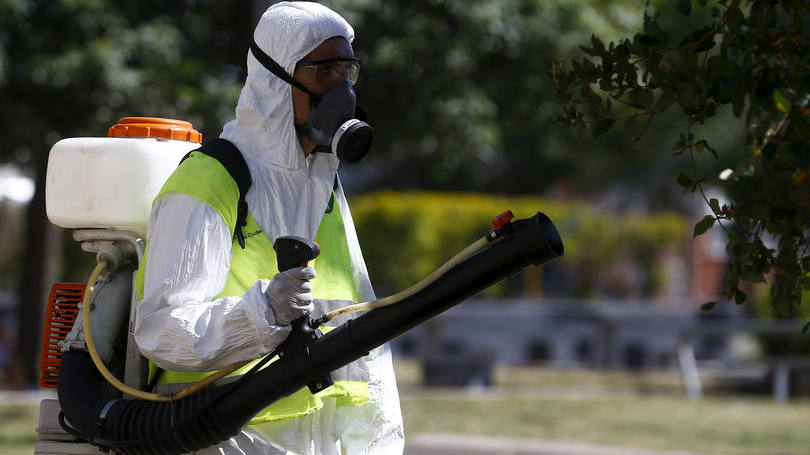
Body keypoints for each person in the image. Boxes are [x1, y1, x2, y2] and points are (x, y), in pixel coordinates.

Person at [133, 2, 404, 454]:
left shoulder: (323, 182)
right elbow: (162, 330)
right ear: (275, 81)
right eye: (323, 71)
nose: (341, 88)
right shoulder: (211, 179)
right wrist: (262, 313)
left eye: (347, 70)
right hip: (224, 439)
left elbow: (360, 325)